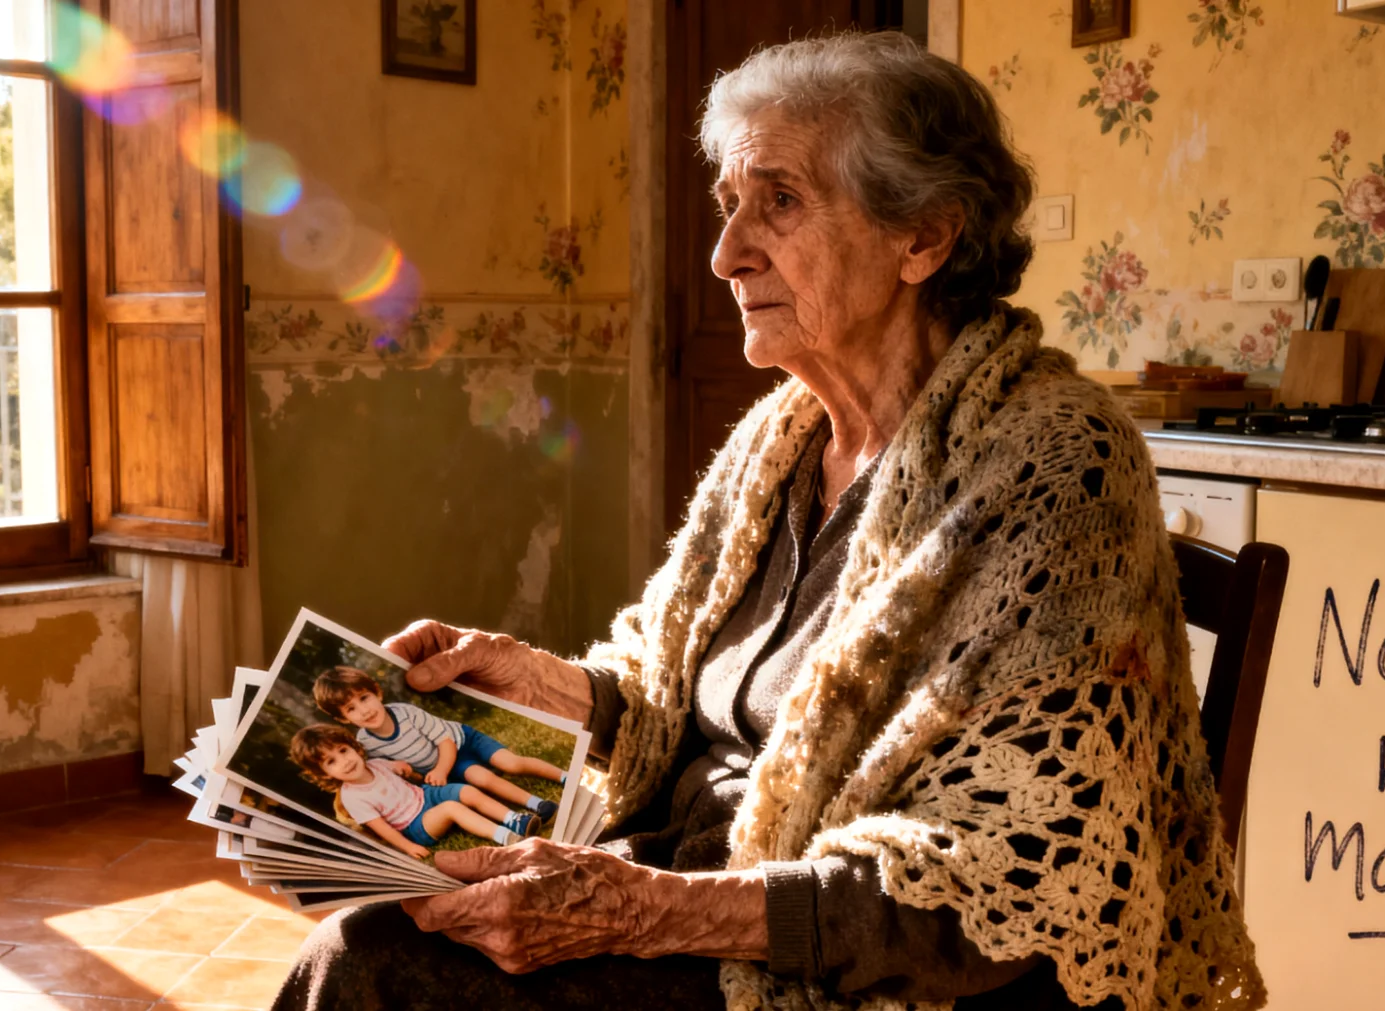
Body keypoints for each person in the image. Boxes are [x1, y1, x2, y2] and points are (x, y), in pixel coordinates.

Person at [271, 30, 1262, 1011]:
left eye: (779, 202)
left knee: (370, 973)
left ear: (924, 236)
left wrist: (645, 910)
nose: (726, 254)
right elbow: (677, 697)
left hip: (857, 968)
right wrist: (538, 682)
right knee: (374, 926)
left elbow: (1006, 885)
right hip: (696, 877)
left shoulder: (1051, 467)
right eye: (728, 204)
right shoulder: (780, 441)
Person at [313, 667, 563, 821]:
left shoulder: (405, 713)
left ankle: (563, 777)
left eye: (364, 698)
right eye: (352, 709)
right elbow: (401, 772)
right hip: (444, 768)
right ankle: (538, 804)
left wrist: (441, 771)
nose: (364, 711)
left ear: (377, 692)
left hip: (460, 743)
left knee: (511, 763)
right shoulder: (365, 744)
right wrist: (410, 772)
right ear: (343, 718)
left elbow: (446, 742)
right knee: (481, 779)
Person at [289, 724, 539, 861]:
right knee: (453, 808)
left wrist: (403, 768)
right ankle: (505, 837)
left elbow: (404, 772)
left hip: (425, 796)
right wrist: (408, 847)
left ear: (354, 747)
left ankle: (514, 819)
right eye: (331, 762)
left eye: (343, 751)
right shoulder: (353, 797)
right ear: (324, 774)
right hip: (415, 824)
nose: (344, 762)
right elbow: (382, 828)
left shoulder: (376, 764)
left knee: (465, 791)